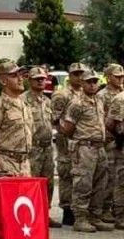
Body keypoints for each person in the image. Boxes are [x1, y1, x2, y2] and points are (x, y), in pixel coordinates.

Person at [62, 72, 113, 232]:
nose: (92, 84)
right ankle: (80, 219)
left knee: (100, 184)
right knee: (83, 184)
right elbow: (68, 129)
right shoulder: (77, 103)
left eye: (95, 82)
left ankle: (95, 216)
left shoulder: (99, 100)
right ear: (82, 84)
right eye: (89, 82)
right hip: (85, 147)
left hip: (100, 147)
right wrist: (82, 139)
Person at [0, 60, 34, 177]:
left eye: (21, 75)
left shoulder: (25, 105)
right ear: (3, 81)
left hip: (24, 164)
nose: (20, 79)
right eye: (14, 76)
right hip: (6, 163)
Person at [24, 66, 59, 228]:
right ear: (29, 80)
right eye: (37, 79)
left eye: (43, 79)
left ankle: (45, 213)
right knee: (32, 183)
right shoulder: (23, 100)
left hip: (47, 147)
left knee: (48, 183)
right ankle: (30, 215)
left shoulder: (47, 101)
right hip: (33, 148)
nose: (40, 81)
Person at [54, 63, 88, 226]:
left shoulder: (85, 93)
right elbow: (55, 119)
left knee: (81, 175)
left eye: (82, 73)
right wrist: (65, 133)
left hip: (82, 141)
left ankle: (80, 209)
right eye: (76, 74)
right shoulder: (62, 94)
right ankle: (67, 210)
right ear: (70, 75)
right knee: (67, 173)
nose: (80, 77)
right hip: (66, 141)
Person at [102, 64, 124, 229]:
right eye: (117, 76)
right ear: (108, 77)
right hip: (112, 141)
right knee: (113, 178)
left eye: (122, 76)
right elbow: (107, 123)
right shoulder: (104, 96)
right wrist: (117, 136)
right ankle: (109, 210)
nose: (120, 79)